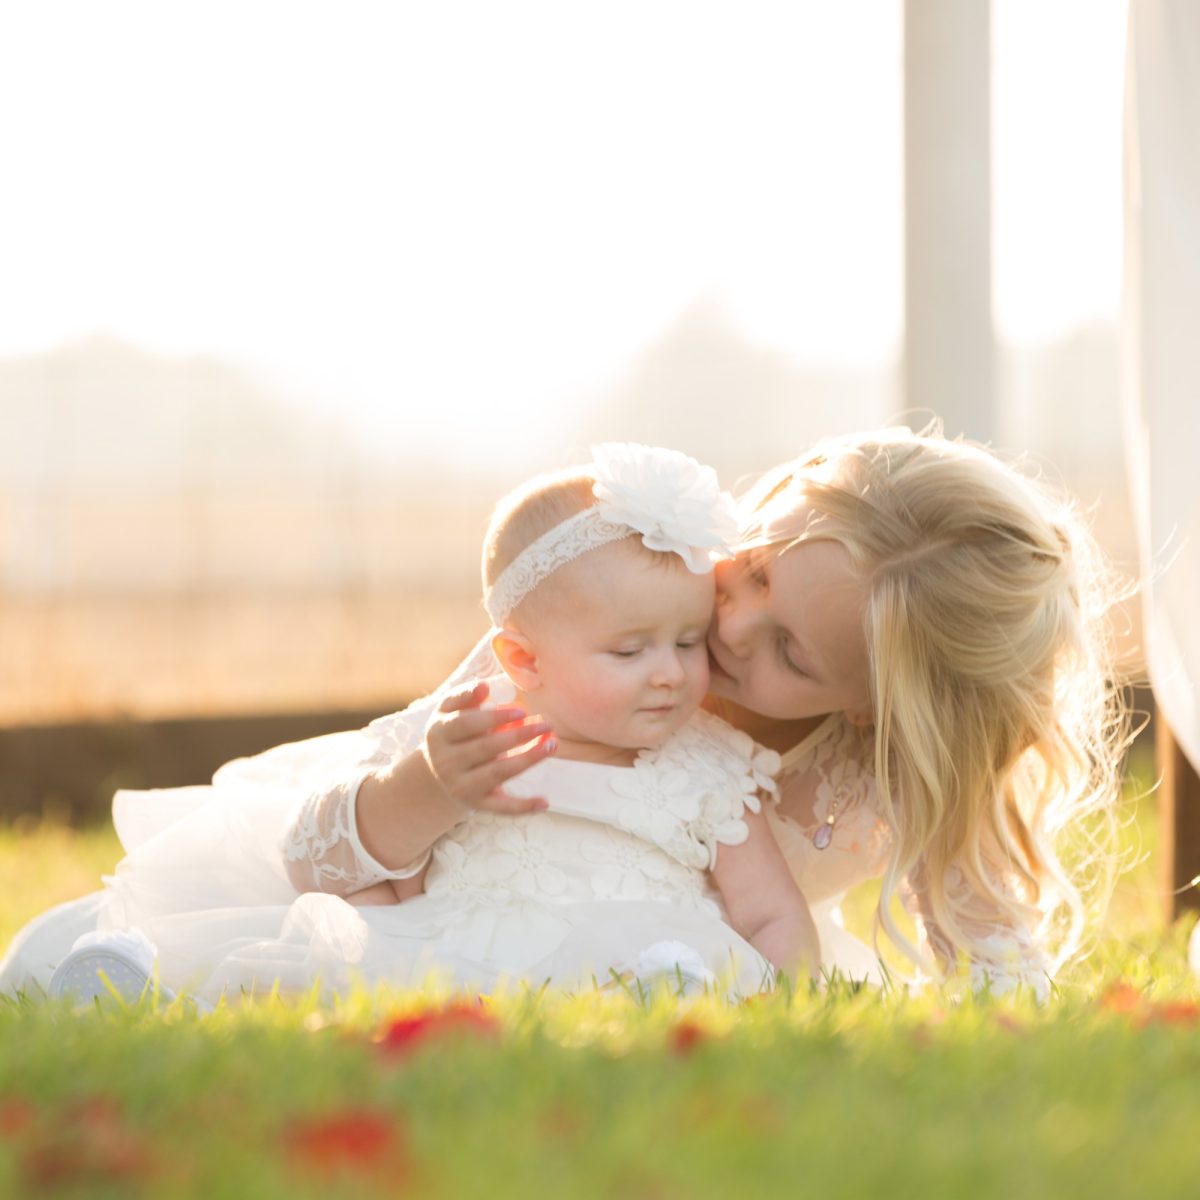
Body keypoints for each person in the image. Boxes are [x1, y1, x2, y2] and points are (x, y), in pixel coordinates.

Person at [283, 426, 1127, 995]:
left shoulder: (897, 770)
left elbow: (998, 970)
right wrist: (432, 786)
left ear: (872, 709)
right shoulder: (614, 630)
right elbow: (346, 827)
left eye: (792, 653)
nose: (729, 626)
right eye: (754, 570)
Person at [2, 445, 816, 1003]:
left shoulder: (707, 766)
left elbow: (769, 911)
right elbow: (323, 861)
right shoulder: (463, 734)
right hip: (443, 949)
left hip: (646, 958)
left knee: (669, 987)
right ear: (523, 660)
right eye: (629, 650)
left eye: (685, 640)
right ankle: (120, 980)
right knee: (292, 964)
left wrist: (788, 994)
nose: (672, 672)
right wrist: (427, 788)